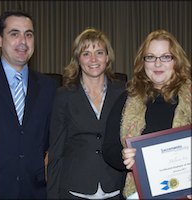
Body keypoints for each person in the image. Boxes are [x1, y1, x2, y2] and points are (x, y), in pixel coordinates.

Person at [102, 29, 191, 199]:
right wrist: (124, 157)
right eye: (150, 57)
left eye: (166, 57)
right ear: (143, 62)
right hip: (137, 192)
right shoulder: (127, 98)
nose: (157, 64)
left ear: (177, 61)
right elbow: (109, 148)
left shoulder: (190, 97)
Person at [47, 27, 126, 199]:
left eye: (99, 52)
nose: (93, 59)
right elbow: (56, 152)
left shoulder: (123, 92)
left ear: (107, 57)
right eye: (86, 53)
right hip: (75, 189)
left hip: (115, 188)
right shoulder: (63, 95)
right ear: (78, 58)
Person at [0, 11, 57, 199]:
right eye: (14, 34)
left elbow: (54, 139)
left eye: (28, 34)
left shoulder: (49, 87)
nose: (23, 41)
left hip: (37, 191)